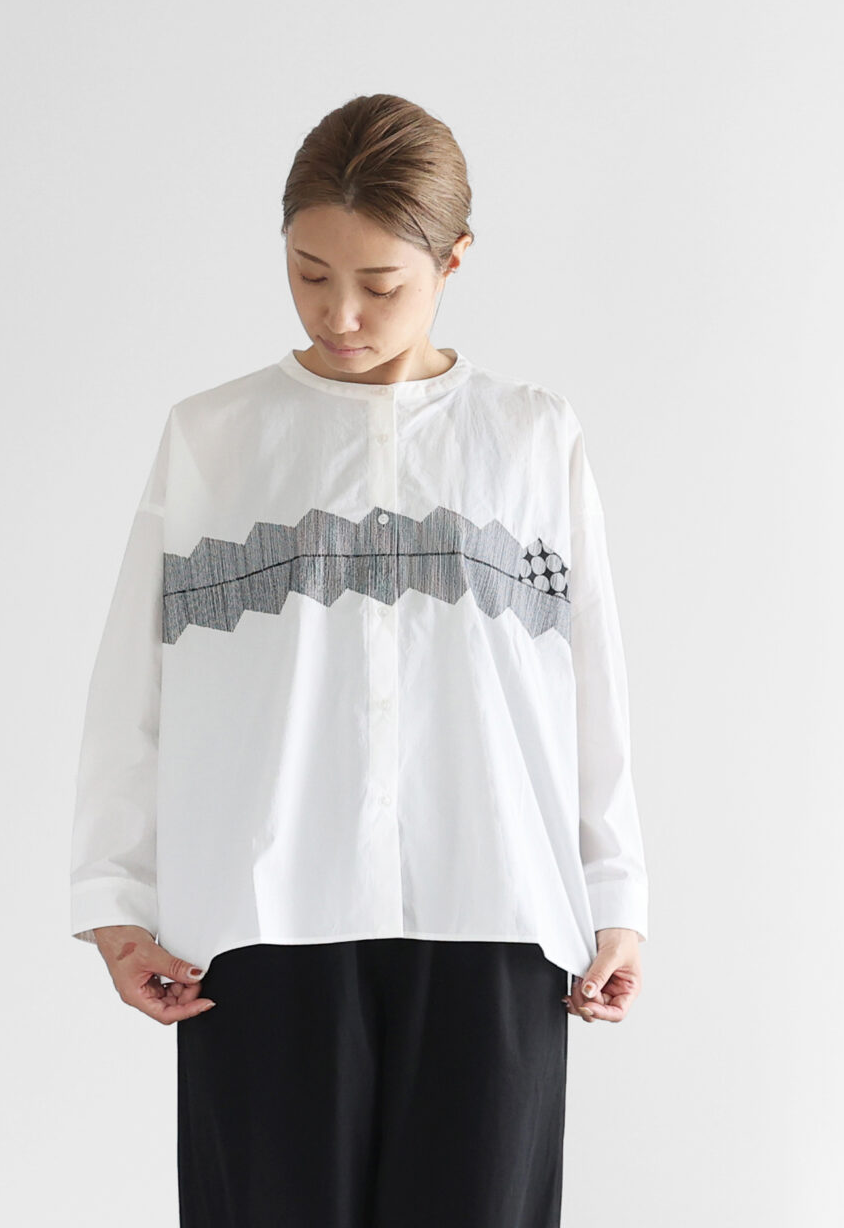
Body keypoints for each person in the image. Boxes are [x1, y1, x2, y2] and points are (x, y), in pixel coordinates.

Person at [69, 92, 650, 1228]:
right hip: (260, 919)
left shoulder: (532, 436)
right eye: (308, 272)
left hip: (497, 910)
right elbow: (134, 682)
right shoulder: (213, 437)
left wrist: (615, 888)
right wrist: (115, 897)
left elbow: (589, 683)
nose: (340, 312)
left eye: (381, 284)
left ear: (453, 259)